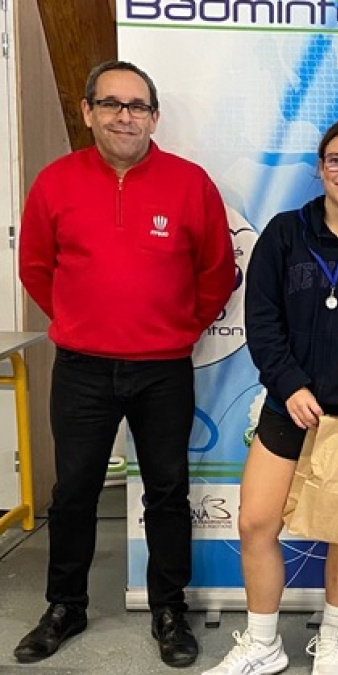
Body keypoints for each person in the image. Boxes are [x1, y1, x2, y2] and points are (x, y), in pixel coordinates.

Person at [15, 61, 235, 667]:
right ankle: (65, 606)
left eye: (137, 106)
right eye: (110, 104)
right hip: (82, 368)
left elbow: (217, 271)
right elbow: (35, 267)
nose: (124, 116)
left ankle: (169, 609)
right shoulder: (55, 182)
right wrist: (79, 320)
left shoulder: (190, 184)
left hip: (162, 369)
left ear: (154, 117)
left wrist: (179, 329)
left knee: (167, 491)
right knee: (73, 493)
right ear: (88, 112)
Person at [203, 119, 338, 675]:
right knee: (255, 523)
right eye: (335, 160)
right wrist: (289, 383)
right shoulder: (284, 234)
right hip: (290, 405)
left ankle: (331, 637)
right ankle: (263, 643)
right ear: (320, 168)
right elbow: (262, 320)